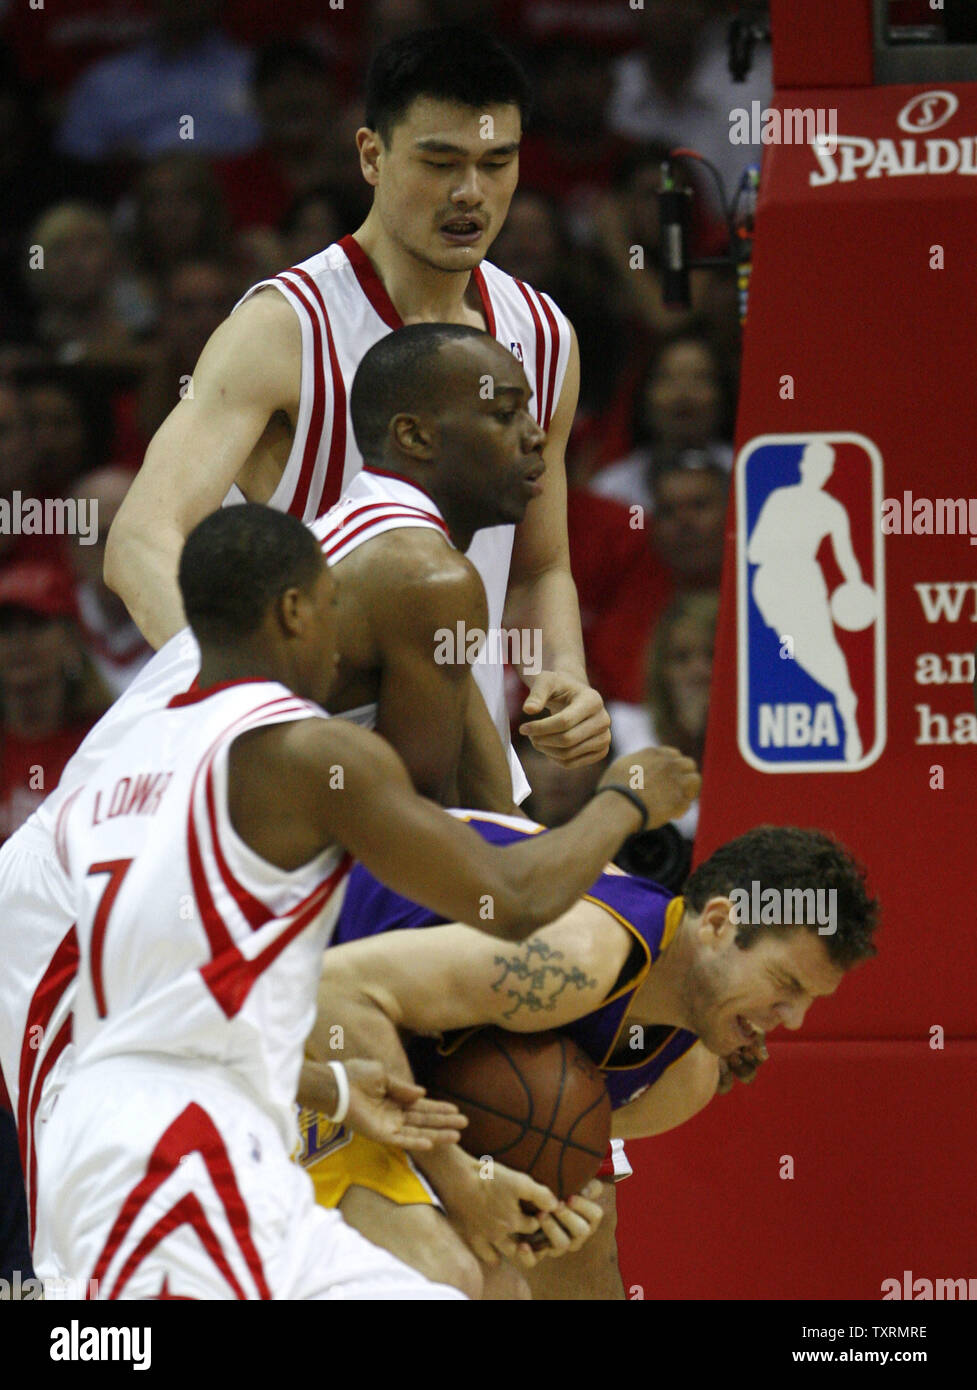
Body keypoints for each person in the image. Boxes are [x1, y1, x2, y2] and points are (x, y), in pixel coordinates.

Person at [32, 503, 690, 1299]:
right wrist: (625, 799)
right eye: (336, 605)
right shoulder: (306, 751)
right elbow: (512, 901)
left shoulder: (115, 768)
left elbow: (182, 1007)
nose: (347, 637)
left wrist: (341, 1093)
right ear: (293, 611)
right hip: (165, 1146)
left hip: (151, 1106)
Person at [105, 26, 612, 801]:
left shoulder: (543, 338)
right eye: (439, 163)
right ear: (372, 156)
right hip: (300, 761)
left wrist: (562, 675)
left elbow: (538, 565)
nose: (470, 192)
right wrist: (252, 698)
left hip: (454, 760)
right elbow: (141, 539)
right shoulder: (284, 328)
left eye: (495, 163)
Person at [305, 814, 879, 1299]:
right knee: (443, 1276)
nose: (794, 1019)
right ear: (719, 924)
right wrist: (459, 1181)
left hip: (403, 1045)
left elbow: (507, 1136)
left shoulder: (685, 1080)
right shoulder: (575, 957)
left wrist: (538, 1205)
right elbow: (333, 991)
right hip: (290, 976)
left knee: (535, 1275)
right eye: (785, 983)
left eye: (809, 999)